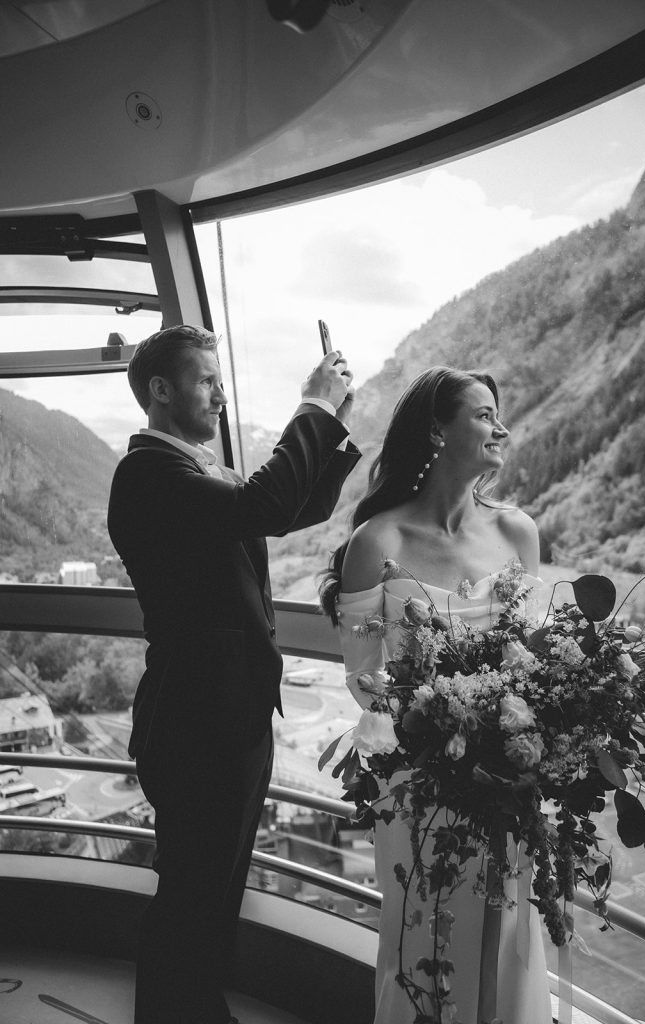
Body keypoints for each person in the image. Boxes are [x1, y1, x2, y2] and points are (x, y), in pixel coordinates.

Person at [108, 324, 360, 1024]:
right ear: (160, 390)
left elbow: (295, 506)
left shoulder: (199, 471)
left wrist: (330, 418)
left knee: (214, 892)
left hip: (229, 716)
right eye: (205, 380)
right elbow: (264, 505)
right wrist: (310, 405)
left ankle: (194, 1006)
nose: (220, 394)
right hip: (195, 725)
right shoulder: (149, 474)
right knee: (191, 894)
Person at [319, 366, 552, 1024]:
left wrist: (504, 732)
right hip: (418, 782)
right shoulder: (378, 542)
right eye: (482, 413)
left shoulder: (517, 533)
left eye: (496, 412)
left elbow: (530, 661)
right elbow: (365, 680)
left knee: (505, 932)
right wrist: (439, 725)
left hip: (508, 774)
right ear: (435, 429)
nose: (498, 425)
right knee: (424, 929)